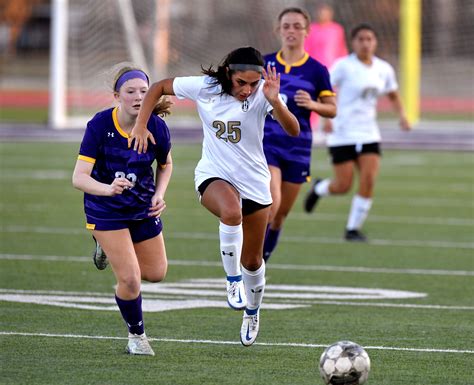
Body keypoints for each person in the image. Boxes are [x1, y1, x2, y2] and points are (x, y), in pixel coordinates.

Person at [129, 46, 300, 346]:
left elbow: (293, 130)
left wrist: (275, 101)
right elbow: (157, 88)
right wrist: (141, 125)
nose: (248, 89)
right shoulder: (205, 87)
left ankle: (253, 311)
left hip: (255, 183)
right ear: (227, 75)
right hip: (213, 174)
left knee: (253, 260)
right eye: (241, 83)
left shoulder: (265, 94)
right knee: (230, 211)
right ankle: (232, 281)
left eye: (253, 83)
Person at [72, 63, 173, 356]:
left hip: (142, 207)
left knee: (156, 273)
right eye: (130, 91)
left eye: (144, 90)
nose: (138, 96)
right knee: (129, 278)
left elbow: (166, 165)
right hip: (105, 209)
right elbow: (78, 178)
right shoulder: (100, 126)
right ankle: (136, 337)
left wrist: (159, 194)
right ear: (117, 95)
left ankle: (106, 249)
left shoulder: (156, 126)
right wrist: (108, 189)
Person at [304, 23, 411, 241]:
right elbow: (324, 90)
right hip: (342, 132)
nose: (365, 43)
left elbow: (392, 93)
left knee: (369, 180)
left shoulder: (383, 68)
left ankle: (352, 229)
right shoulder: (343, 66)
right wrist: (326, 117)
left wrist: (402, 115)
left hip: (369, 133)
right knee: (343, 185)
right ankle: (320, 188)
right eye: (361, 39)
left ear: (375, 42)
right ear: (353, 43)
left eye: (369, 39)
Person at [262, 7, 336, 262]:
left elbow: (332, 109)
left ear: (307, 31)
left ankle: (260, 264)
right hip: (267, 143)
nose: (291, 31)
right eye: (286, 26)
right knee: (271, 205)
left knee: (280, 215)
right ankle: (250, 265)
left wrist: (314, 104)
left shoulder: (317, 70)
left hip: (298, 148)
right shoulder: (265, 64)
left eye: (296, 26)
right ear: (278, 30)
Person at [304, 2, 347, 132]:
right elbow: (306, 49)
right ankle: (312, 126)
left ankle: (332, 125)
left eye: (325, 11)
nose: (323, 14)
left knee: (331, 98)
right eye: (320, 11)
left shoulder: (337, 29)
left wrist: (344, 65)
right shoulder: (311, 29)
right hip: (316, 69)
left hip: (332, 70)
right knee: (314, 97)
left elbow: (341, 49)